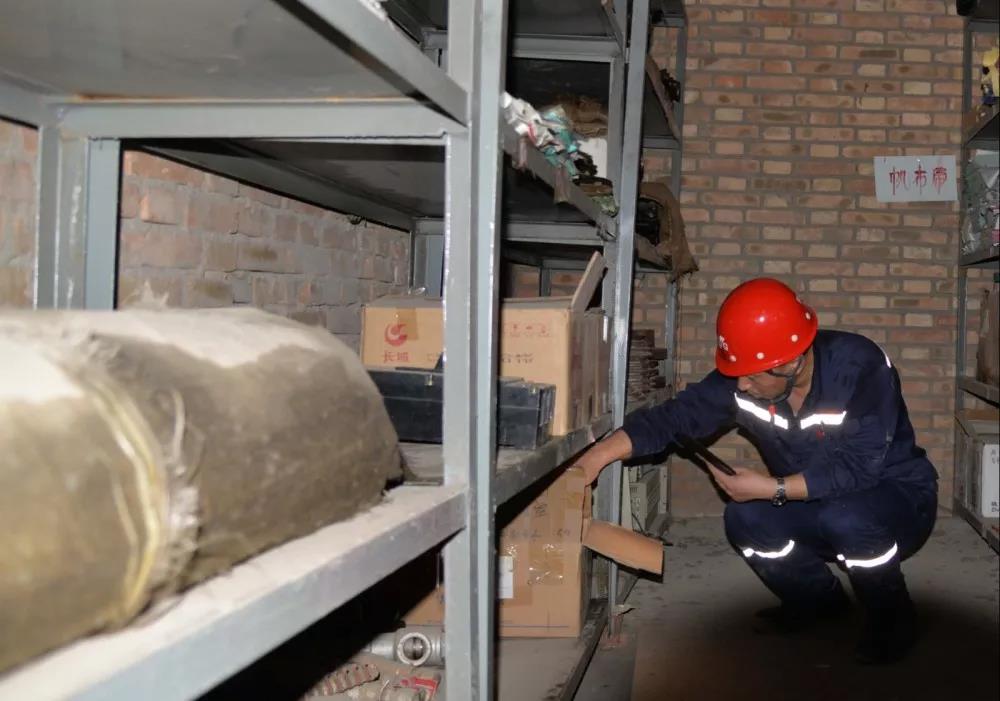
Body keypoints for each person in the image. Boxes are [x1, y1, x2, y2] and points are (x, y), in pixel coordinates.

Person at [575, 278, 938, 665]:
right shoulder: (747, 376)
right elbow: (674, 418)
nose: (741, 385)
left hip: (897, 500)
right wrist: (593, 459)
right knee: (744, 518)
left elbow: (858, 469)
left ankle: (893, 619)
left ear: (790, 363)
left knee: (846, 518)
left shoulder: (861, 367)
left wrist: (773, 488)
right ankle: (819, 602)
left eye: (752, 375)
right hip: (813, 499)